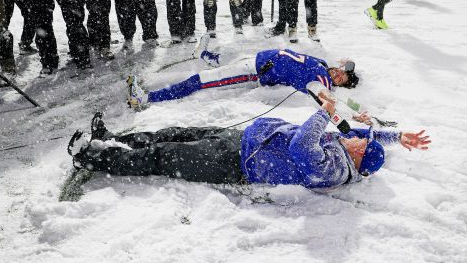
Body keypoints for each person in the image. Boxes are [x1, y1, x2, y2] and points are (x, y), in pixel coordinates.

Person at [67, 105, 430, 189]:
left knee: (164, 157)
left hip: (237, 163)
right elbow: (367, 137)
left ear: (357, 156)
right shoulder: (348, 150)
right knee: (174, 132)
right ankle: (111, 137)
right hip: (245, 139)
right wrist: (396, 137)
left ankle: (91, 155)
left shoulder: (332, 170)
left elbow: (304, 145)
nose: (357, 135)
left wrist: (323, 113)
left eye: (360, 141)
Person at [127, 43, 366, 120]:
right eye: (341, 71)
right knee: (228, 56)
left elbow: (327, 96)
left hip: (253, 71)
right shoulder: (324, 64)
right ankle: (207, 56)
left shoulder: (321, 80)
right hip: (258, 58)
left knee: (200, 81)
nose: (338, 74)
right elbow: (343, 63)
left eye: (341, 79)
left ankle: (145, 98)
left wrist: (357, 112)